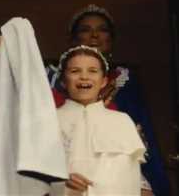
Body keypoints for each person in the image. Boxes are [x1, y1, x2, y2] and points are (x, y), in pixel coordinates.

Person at [46, 4, 170, 196]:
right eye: (86, 30)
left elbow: (130, 169)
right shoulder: (50, 110)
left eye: (102, 30)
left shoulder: (124, 107)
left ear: (103, 81)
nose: (94, 36)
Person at [48, 45, 146, 195]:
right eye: (75, 71)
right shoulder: (48, 121)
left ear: (104, 81)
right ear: (63, 81)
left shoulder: (122, 122)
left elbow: (130, 178)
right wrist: (59, 180)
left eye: (92, 71)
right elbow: (32, 178)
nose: (84, 76)